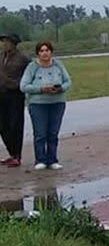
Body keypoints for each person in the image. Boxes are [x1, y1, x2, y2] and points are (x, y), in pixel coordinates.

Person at [20, 41, 71, 171]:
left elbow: (68, 81)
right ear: (38, 53)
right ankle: (40, 159)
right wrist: (41, 89)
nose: (44, 53)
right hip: (38, 104)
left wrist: (60, 89)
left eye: (47, 50)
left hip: (57, 103)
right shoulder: (32, 67)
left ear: (51, 52)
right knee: (40, 133)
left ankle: (52, 159)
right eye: (41, 51)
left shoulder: (58, 64)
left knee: (53, 133)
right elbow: (23, 86)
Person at [0, 33, 30, 167]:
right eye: (3, 41)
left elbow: (29, 75)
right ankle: (11, 153)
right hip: (1, 94)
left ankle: (17, 155)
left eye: (6, 41)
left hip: (15, 95)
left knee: (15, 125)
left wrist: (17, 84)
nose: (4, 44)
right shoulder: (1, 56)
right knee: (3, 125)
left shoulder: (23, 58)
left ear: (13, 43)